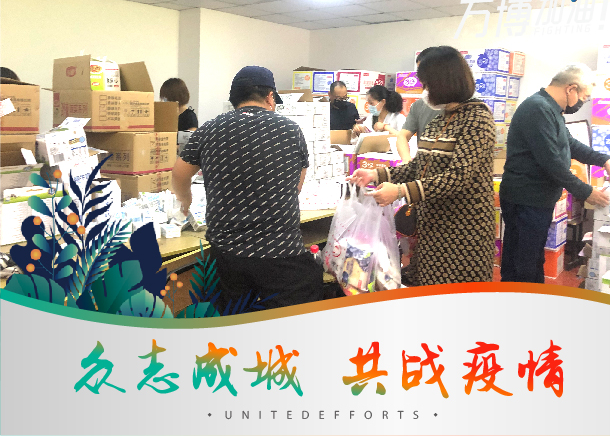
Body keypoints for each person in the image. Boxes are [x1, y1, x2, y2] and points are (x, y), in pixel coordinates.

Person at [172, 66, 323, 310]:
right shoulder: (290, 129)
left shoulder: (209, 129)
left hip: (227, 256)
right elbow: (297, 186)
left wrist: (185, 200)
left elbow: (179, 174)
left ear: (234, 99)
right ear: (270, 97)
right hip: (280, 253)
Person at [349, 46, 496, 285]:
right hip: (433, 226)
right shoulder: (440, 120)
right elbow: (419, 166)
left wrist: (400, 191)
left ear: (443, 82)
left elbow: (458, 177)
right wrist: (376, 174)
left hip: (464, 232)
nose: (424, 91)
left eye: (427, 84)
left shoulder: (477, 118)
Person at [500, 64, 610, 284]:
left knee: (532, 256)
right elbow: (551, 162)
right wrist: (586, 192)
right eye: (584, 97)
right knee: (523, 260)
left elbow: (570, 144)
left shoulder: (550, 109)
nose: (583, 102)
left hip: (538, 199)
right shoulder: (537, 108)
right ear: (571, 89)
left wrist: (604, 160)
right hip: (526, 198)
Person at [397, 49, 442, 163]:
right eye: (419, 73)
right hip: (423, 166)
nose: (421, 79)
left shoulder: (468, 109)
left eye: (425, 72)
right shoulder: (418, 105)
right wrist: (407, 162)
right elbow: (402, 136)